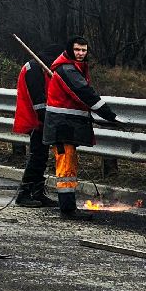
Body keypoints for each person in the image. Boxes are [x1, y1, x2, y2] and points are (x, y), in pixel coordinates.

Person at [42, 35, 119, 219]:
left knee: (69, 167)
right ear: (70, 50)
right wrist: (109, 115)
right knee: (66, 169)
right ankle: (68, 210)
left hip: (66, 127)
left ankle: (68, 208)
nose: (80, 53)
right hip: (62, 128)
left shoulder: (73, 67)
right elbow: (84, 93)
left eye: (83, 50)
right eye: (77, 49)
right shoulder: (66, 69)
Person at [12, 54, 54, 207]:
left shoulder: (40, 67)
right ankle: (24, 193)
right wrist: (46, 119)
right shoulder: (34, 68)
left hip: (40, 119)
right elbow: (38, 100)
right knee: (37, 156)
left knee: (41, 156)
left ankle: (37, 192)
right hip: (35, 119)